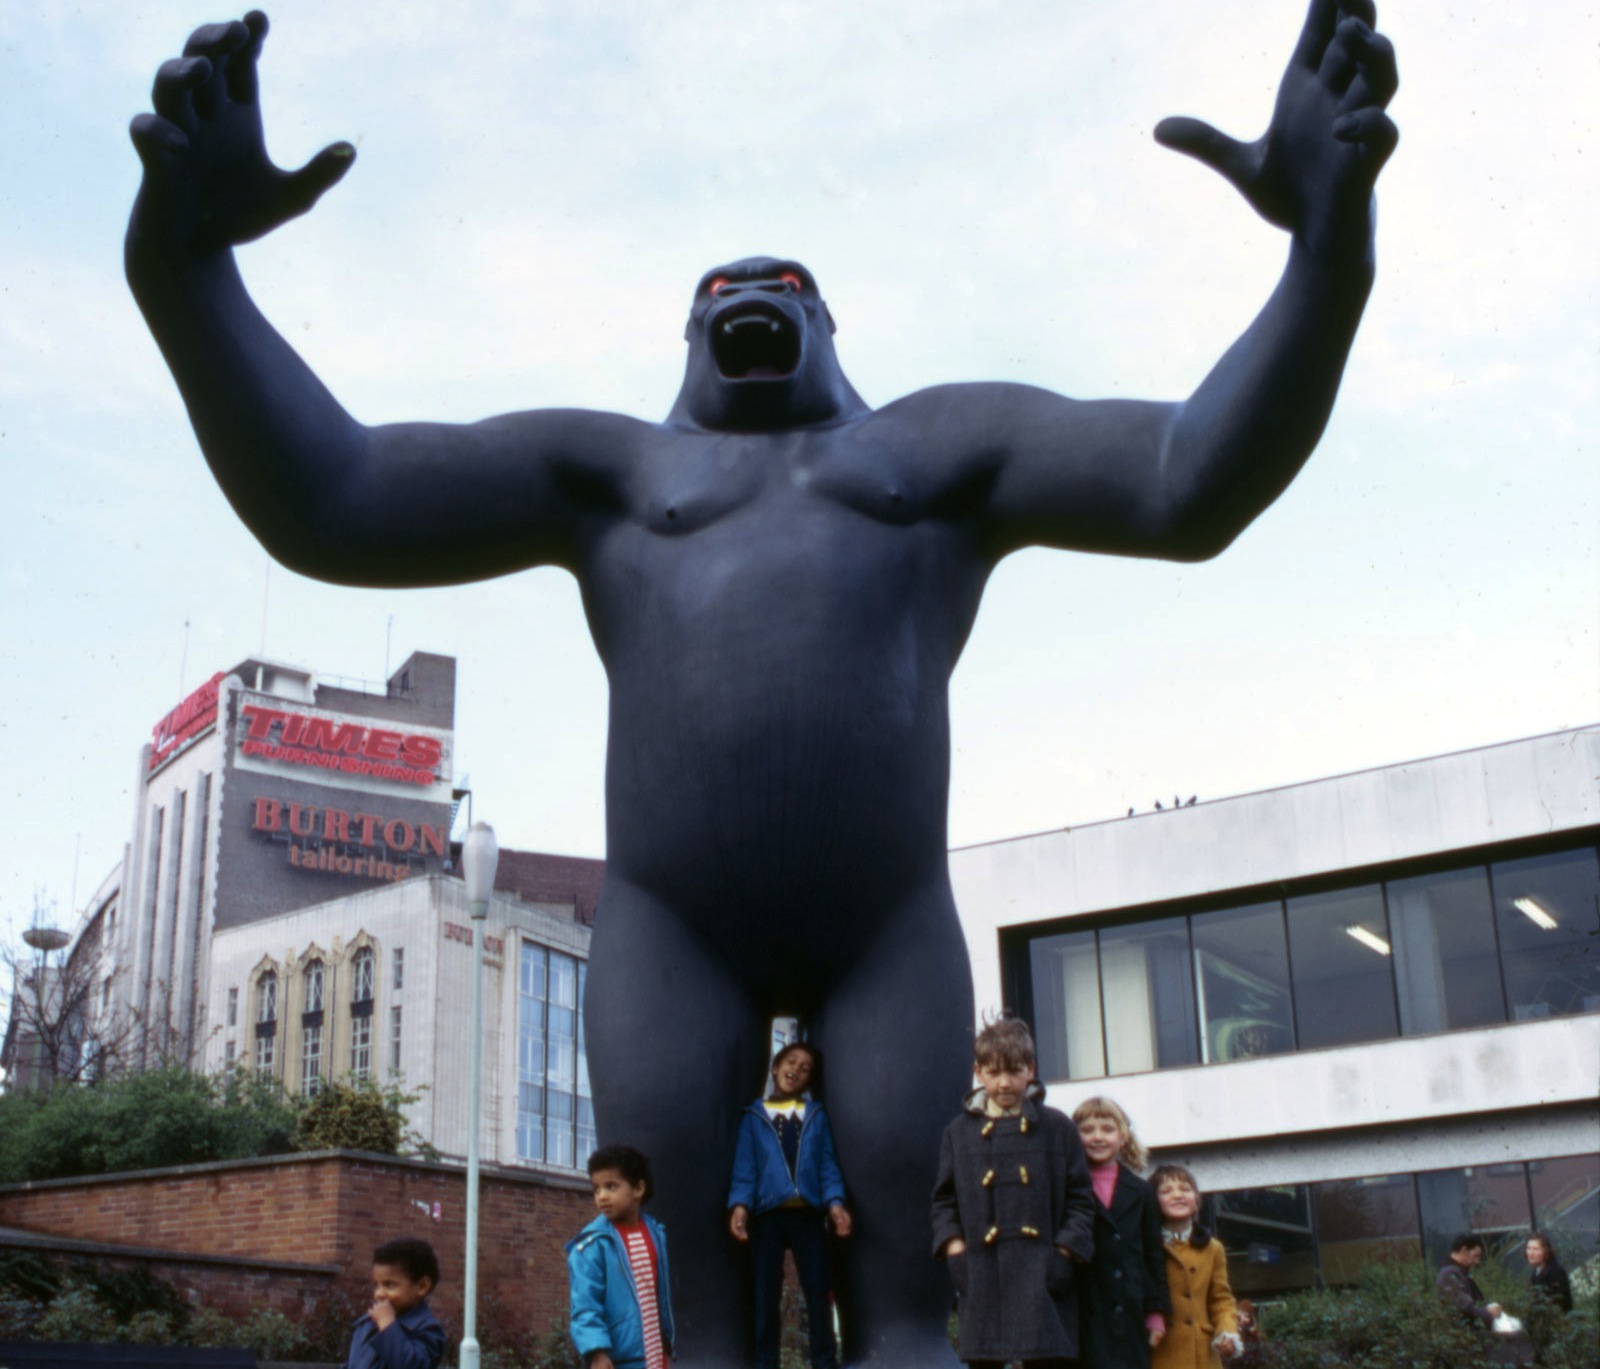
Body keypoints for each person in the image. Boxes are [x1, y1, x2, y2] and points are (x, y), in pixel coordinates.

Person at [125, 7, 1397, 1362]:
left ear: (826, 323)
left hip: (886, 927)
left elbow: (1187, 481)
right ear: (690, 336)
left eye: (780, 280)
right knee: (697, 1330)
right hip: (675, 930)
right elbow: (333, 498)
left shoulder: (934, 451)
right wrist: (184, 269)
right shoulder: (614, 473)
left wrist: (1330, 248)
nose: (749, 290)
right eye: (719, 288)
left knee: (908, 1321)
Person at [932, 1016, 1096, 1367]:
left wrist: (1064, 1255)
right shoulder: (958, 1132)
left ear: (1031, 1069)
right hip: (981, 1280)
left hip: (1045, 1285)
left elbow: (1081, 1199)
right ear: (978, 1072)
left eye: (1014, 1071)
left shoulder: (1057, 1127)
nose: (1004, 1083)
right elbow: (943, 1202)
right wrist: (957, 1252)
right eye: (993, 1073)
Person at [728, 1042, 852, 1369]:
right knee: (766, 1293)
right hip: (767, 1216)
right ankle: (765, 1362)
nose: (796, 1069)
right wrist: (740, 1207)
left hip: (807, 1215)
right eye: (791, 1061)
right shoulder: (753, 1116)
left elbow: (827, 1166)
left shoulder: (816, 1116)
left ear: (809, 1081)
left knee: (817, 1289)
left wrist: (836, 1204)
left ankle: (825, 1362)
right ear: (775, 1067)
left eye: (806, 1068)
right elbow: (745, 1169)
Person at [1072, 1097, 1170, 1369]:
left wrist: (1156, 1311)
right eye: (1088, 1130)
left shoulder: (1141, 1191)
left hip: (1129, 1314)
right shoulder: (1066, 1187)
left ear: (1123, 1136)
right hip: (1082, 1313)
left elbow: (1153, 1255)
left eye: (1107, 1129)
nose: (1098, 1137)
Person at [568, 1144, 675, 1369]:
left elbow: (658, 1296)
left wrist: (665, 1348)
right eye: (596, 1189)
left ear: (638, 1189)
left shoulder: (655, 1233)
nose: (602, 1196)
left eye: (611, 1186)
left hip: (655, 1355)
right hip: (619, 1360)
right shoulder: (592, 1244)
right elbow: (585, 1306)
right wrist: (596, 1352)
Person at [1147, 1165, 1241, 1369]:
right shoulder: (1145, 1246)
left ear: (1197, 1200)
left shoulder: (1212, 1248)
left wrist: (1227, 1332)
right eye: (1165, 1191)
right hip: (1160, 1352)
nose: (1177, 1195)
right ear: (1152, 1202)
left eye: (1185, 1189)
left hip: (1202, 1354)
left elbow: (1221, 1299)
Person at [344, 1237, 446, 1369]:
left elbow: (411, 1365)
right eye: (376, 1285)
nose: (378, 1293)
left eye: (389, 1285)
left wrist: (387, 1326)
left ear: (422, 1286)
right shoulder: (366, 1325)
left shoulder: (428, 1330)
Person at [1524, 1232, 1573, 1315]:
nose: (1530, 1253)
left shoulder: (1556, 1273)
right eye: (1528, 1248)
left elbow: (1559, 1307)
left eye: (1536, 1249)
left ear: (1546, 1251)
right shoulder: (1535, 1273)